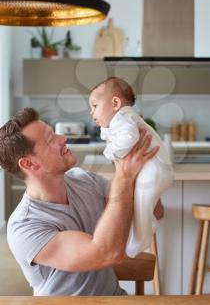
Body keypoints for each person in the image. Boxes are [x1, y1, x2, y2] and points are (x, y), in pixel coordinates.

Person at [0, 107, 162, 296]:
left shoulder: (86, 181)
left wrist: (139, 158)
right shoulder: (24, 226)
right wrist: (124, 176)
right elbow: (106, 253)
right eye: (51, 140)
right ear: (29, 164)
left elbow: (155, 211)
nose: (63, 139)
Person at [89, 77, 174, 257]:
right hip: (155, 171)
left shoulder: (123, 118)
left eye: (95, 106)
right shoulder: (125, 118)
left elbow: (129, 138)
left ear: (115, 103)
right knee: (141, 205)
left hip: (154, 171)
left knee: (141, 206)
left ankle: (138, 242)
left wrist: (110, 151)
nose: (91, 112)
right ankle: (142, 232)